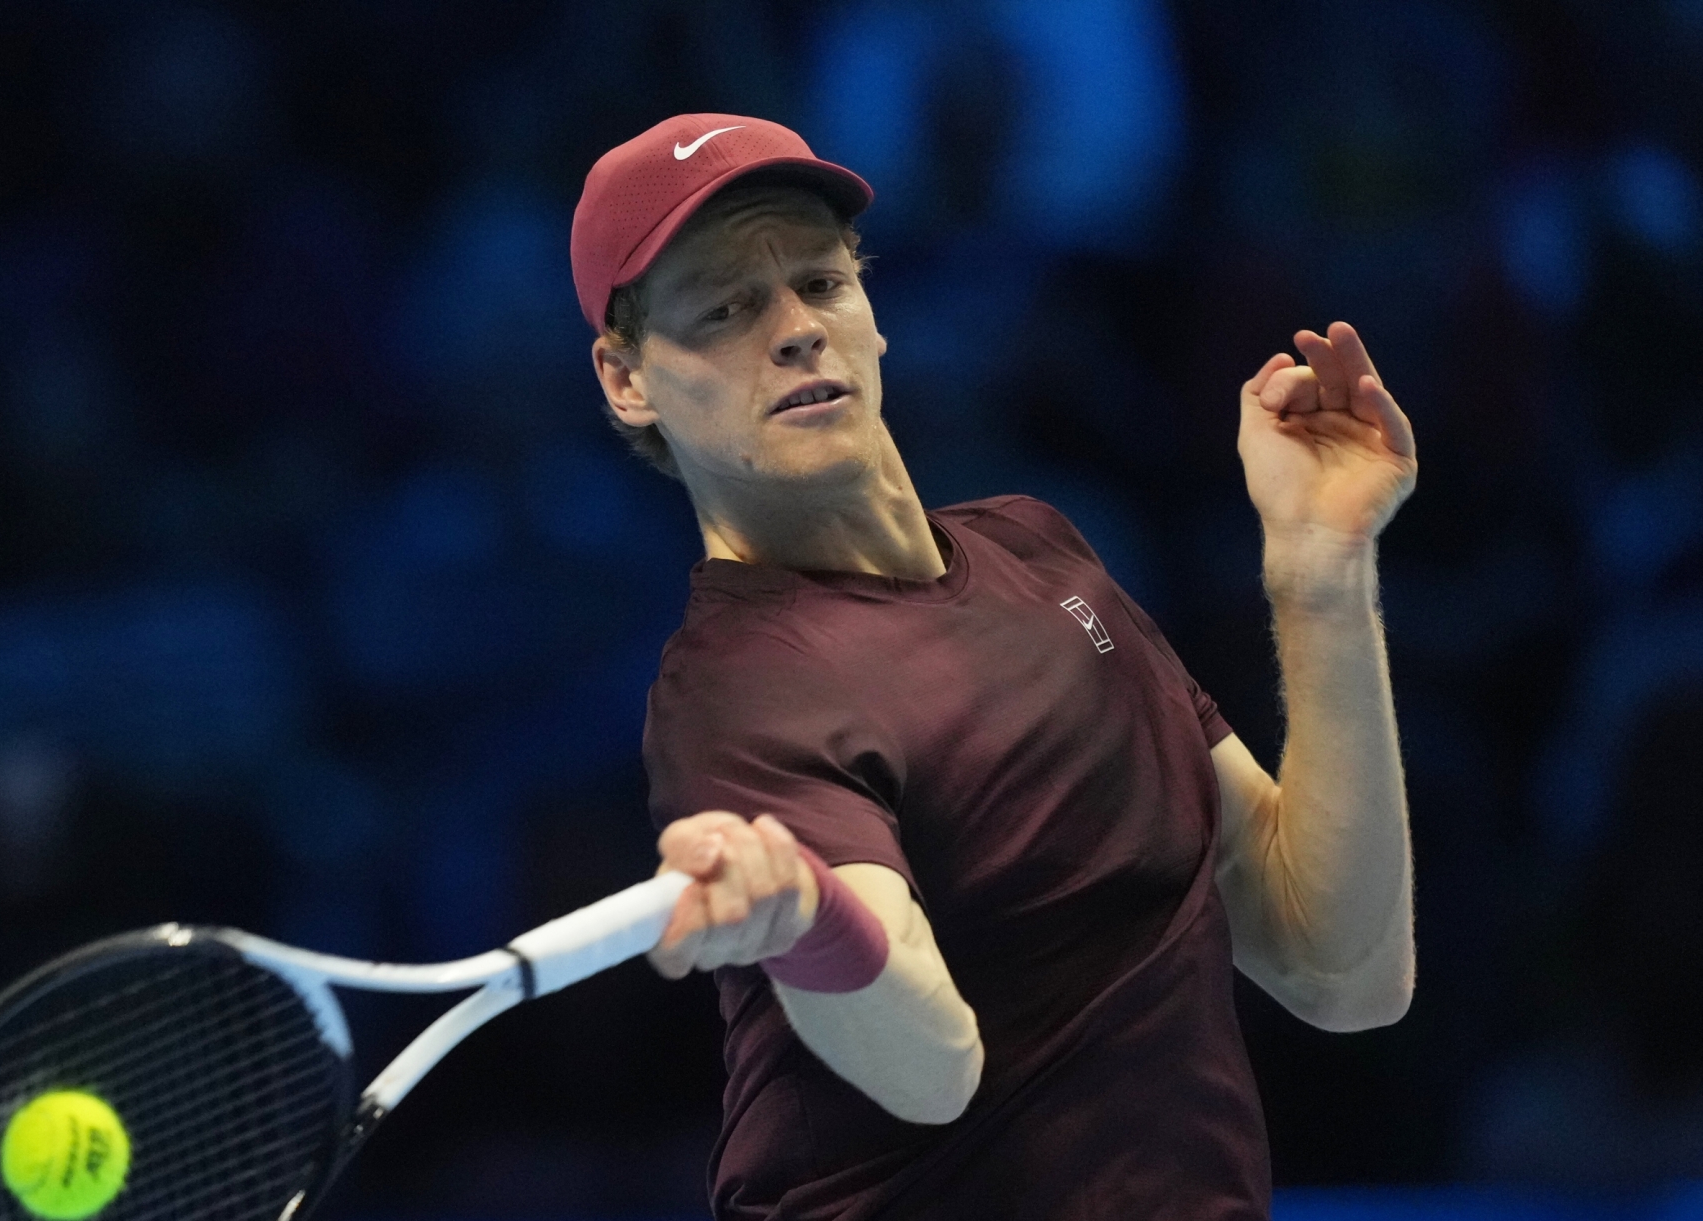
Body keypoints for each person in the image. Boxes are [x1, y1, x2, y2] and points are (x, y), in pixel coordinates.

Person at [571, 115, 1417, 1218]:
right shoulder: (739, 691)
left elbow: (1340, 968)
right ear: (628, 379)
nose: (796, 332)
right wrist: (806, 920)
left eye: (820, 284)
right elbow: (932, 1067)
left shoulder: (1038, 550)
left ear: (872, 315)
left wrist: (1320, 570)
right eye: (726, 309)